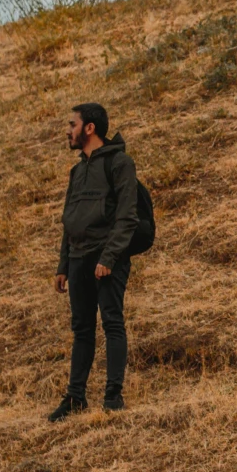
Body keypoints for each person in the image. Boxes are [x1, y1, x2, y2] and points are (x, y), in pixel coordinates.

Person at [49, 103, 138, 421]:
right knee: (82, 329)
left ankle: (113, 397)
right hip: (77, 259)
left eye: (72, 124)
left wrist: (109, 257)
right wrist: (63, 265)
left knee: (112, 323)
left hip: (106, 260)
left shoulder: (119, 163)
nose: (68, 130)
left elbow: (128, 216)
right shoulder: (77, 171)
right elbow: (69, 220)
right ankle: (75, 398)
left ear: (89, 128)